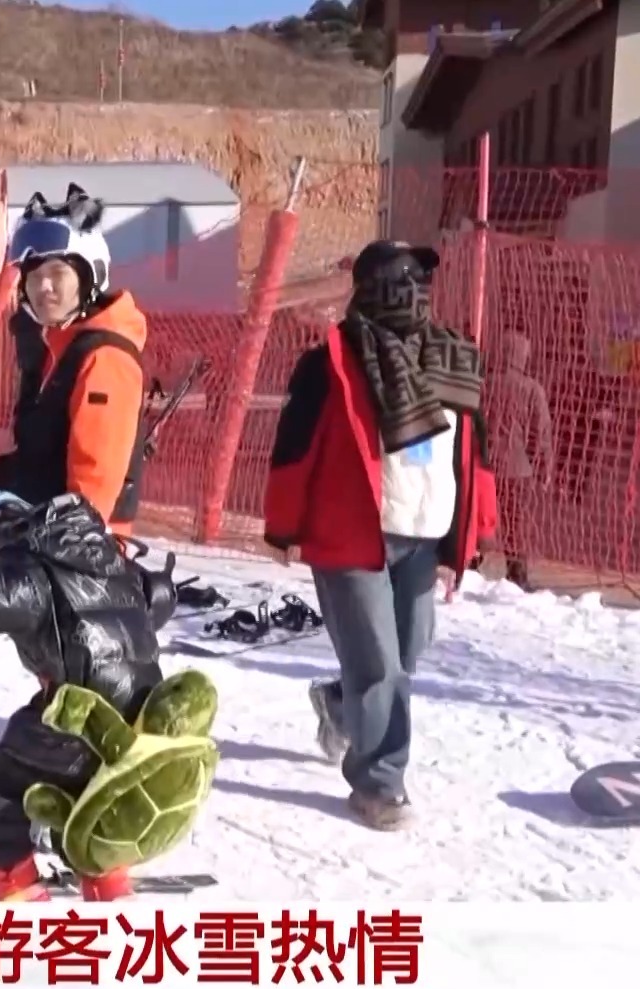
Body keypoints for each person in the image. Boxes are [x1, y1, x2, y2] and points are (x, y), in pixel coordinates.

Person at [264, 239, 496, 832]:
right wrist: (284, 525)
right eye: (396, 282)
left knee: (406, 652)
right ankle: (379, 782)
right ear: (368, 290)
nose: (410, 294)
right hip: (351, 536)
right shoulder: (331, 361)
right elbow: (293, 447)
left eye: (418, 282)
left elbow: (474, 453)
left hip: (424, 531)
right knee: (379, 666)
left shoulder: (453, 358)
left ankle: (342, 706)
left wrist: (473, 534)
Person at [0, 491, 202, 901]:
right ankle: (107, 880)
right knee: (86, 795)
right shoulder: (103, 555)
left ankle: (16, 890)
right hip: (140, 710)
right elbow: (155, 595)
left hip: (81, 712)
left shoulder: (28, 564)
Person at [0, 185, 151, 535]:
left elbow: (94, 481)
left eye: (57, 274)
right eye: (34, 276)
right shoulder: (55, 348)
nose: (43, 287)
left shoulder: (104, 358)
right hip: (38, 533)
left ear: (89, 277)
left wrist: (67, 546)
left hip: (76, 549)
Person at [487, 333, 552, 589]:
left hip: (485, 464)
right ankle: (516, 575)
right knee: (515, 523)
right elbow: (541, 433)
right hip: (518, 467)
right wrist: (544, 467)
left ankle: (471, 565)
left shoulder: (485, 384)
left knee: (479, 518)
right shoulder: (532, 389)